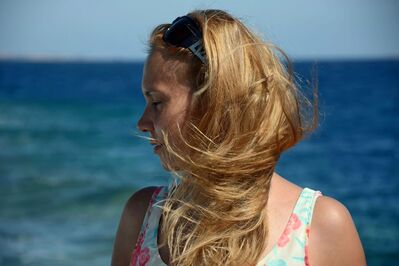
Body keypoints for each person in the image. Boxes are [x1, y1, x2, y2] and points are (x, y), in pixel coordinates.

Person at [111, 9, 366, 266]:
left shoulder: (322, 227)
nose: (142, 123)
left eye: (157, 102)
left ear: (215, 103)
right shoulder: (144, 217)